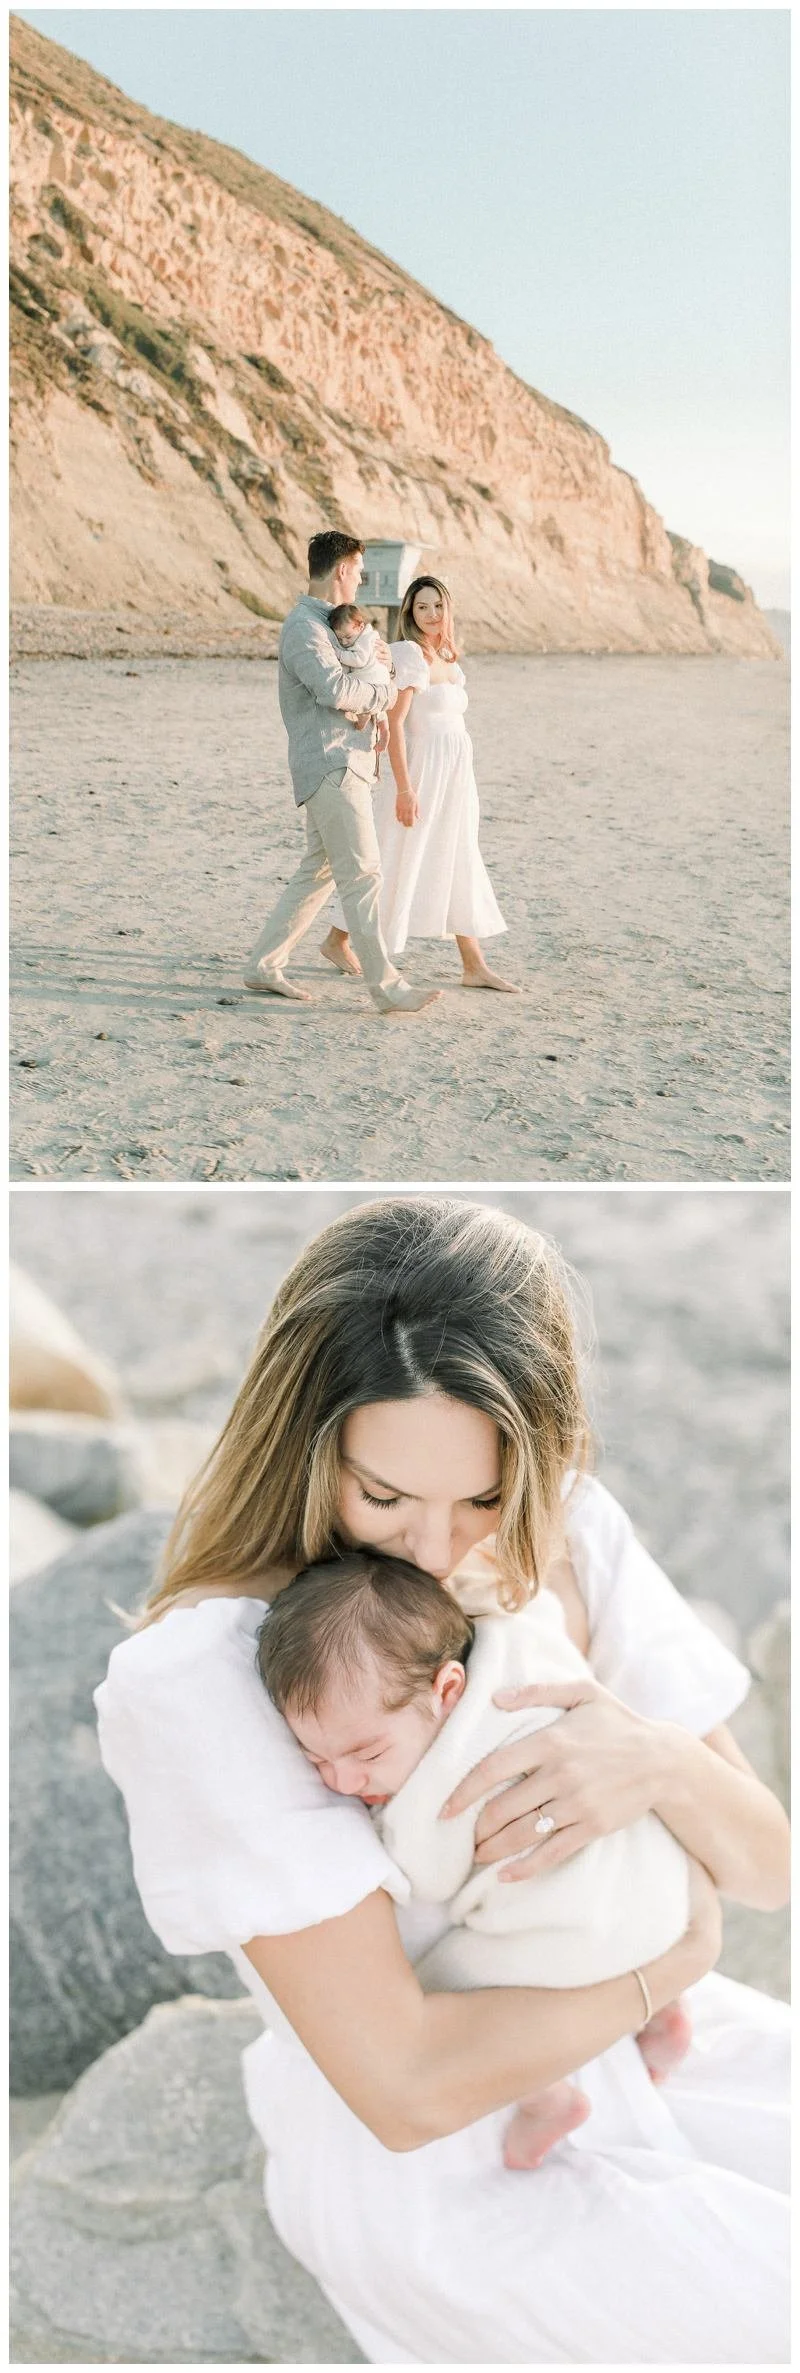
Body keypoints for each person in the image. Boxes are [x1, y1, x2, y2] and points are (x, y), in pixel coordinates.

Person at [95, 1196, 790, 2365]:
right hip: (450, 2167)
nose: (434, 1548)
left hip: (661, 2048)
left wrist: (653, 1757)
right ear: (302, 1447)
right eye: (383, 1497)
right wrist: (663, 1968)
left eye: (480, 1494)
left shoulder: (562, 1531)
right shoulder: (209, 1671)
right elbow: (404, 2086)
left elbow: (765, 1868)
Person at [256, 1548, 693, 2172]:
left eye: (367, 1754)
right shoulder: (518, 1642)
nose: (344, 1781)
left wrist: (379, 1826)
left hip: (571, 1935)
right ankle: (666, 2011)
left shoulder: (435, 1799)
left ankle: (548, 2099)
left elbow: (426, 1880)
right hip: (662, 1891)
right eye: (317, 1760)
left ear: (448, 1690)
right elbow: (541, 1611)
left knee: (433, 2004)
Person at [244, 531, 440, 1014]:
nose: (361, 580)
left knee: (321, 870)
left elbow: (363, 673)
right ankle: (388, 987)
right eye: (359, 572)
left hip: (347, 761)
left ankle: (264, 965)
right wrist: (384, 694)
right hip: (331, 763)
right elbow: (333, 689)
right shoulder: (304, 628)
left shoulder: (334, 626)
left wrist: (380, 673)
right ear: (342, 571)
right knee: (363, 875)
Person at [322, 576, 519, 993]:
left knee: (459, 854)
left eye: (437, 606)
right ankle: (337, 938)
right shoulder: (410, 654)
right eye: (422, 607)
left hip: (455, 774)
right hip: (421, 771)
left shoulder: (448, 656)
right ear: (410, 613)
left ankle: (474, 965)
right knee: (394, 853)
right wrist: (405, 789)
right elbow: (396, 723)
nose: (431, 614)